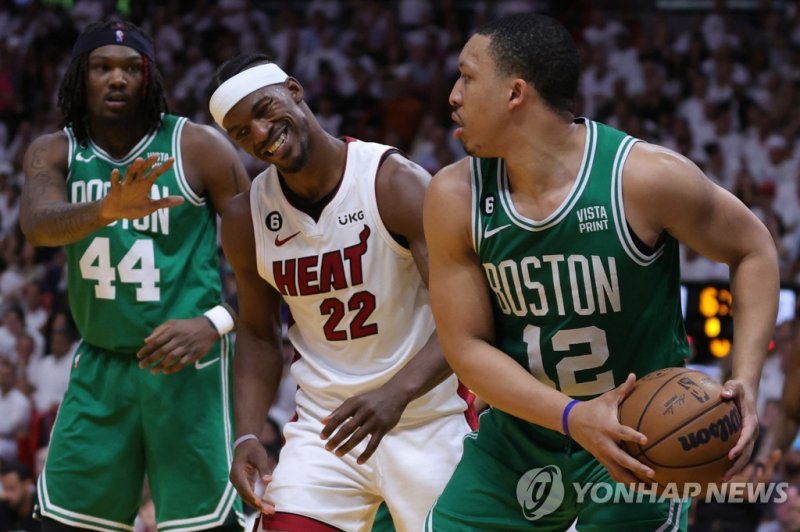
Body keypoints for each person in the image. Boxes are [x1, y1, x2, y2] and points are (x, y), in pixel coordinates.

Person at [423, 13, 779, 531]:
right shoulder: (454, 196)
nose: (453, 94)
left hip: (642, 441)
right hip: (519, 439)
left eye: (467, 76)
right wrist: (573, 417)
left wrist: (745, 377)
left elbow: (753, 251)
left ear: (515, 93)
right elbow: (466, 347)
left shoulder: (644, 179)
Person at [209, 53, 472, 532]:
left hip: (427, 418)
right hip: (326, 430)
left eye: (265, 110)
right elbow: (258, 333)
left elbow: (468, 319)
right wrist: (247, 432)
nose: (261, 133)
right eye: (242, 132)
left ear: (294, 89)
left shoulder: (394, 183)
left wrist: (396, 394)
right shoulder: (244, 218)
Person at [19, 20, 249, 531]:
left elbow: (263, 262)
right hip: (102, 366)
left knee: (205, 527)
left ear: (150, 77)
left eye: (130, 68)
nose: (117, 79)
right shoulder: (55, 151)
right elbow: (36, 225)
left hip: (188, 366)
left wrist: (214, 322)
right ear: (83, 76)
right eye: (103, 67)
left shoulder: (198, 148)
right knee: (61, 524)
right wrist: (107, 208)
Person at [0, 459, 40, 532]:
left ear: (27, 484)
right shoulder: (3, 509)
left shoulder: (41, 511)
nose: (7, 495)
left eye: (12, 488)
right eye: (5, 489)